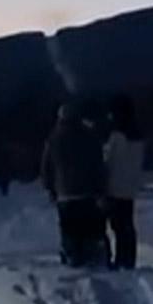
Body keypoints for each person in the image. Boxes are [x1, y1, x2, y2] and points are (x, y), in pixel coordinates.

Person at [39, 102, 108, 267]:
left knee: (69, 228)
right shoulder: (90, 136)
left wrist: (50, 188)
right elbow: (98, 164)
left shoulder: (53, 139)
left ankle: (72, 257)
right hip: (87, 193)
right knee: (87, 227)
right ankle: (90, 257)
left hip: (64, 193)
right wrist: (100, 188)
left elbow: (46, 167)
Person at [102, 94, 146, 270]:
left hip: (115, 187)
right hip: (129, 188)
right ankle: (128, 259)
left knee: (117, 225)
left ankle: (120, 259)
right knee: (126, 225)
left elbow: (110, 162)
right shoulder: (138, 136)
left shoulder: (117, 136)